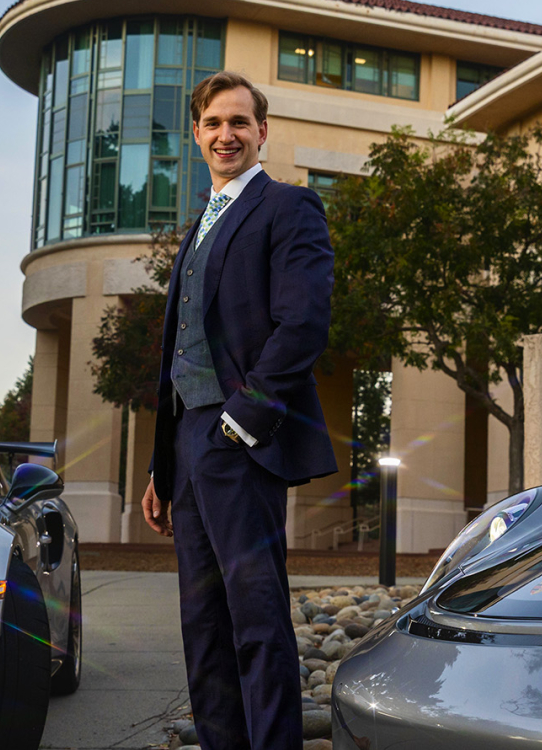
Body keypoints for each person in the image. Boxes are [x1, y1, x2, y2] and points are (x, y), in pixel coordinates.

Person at [141, 71, 338, 750]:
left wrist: (242, 419)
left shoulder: (290, 208)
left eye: (239, 123)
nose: (227, 135)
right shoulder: (199, 226)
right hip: (190, 444)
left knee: (255, 617)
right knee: (202, 623)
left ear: (263, 131)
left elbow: (303, 323)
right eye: (214, 124)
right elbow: (180, 357)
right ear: (197, 134)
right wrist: (163, 464)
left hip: (241, 437)